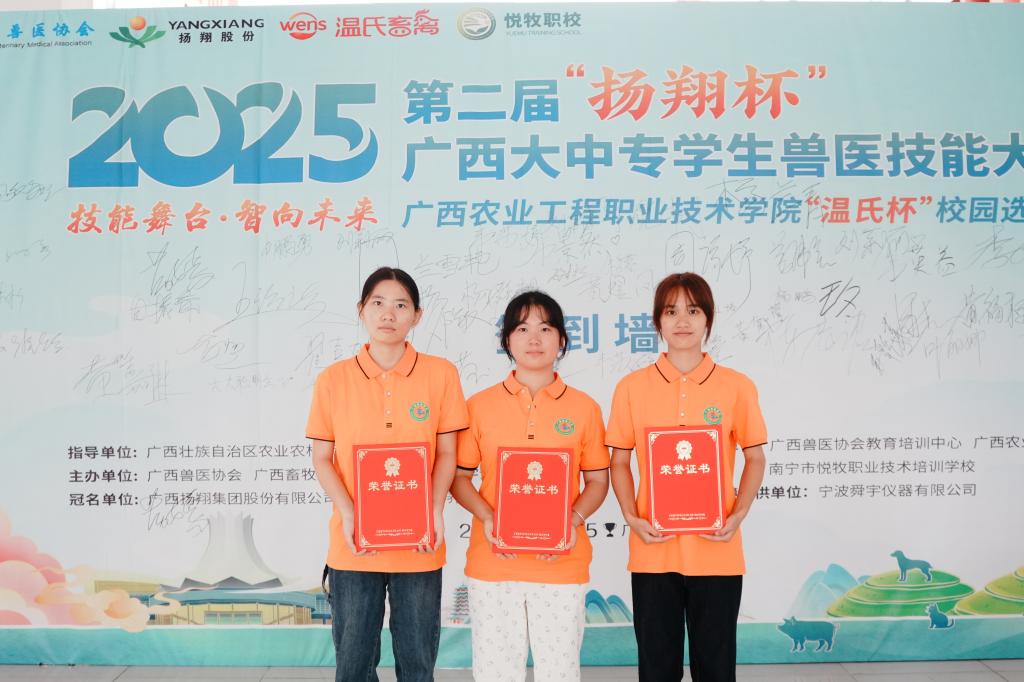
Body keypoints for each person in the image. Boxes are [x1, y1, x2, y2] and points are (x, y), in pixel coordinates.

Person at [306, 266, 469, 682]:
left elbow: (447, 453)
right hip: (354, 542)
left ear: (417, 315)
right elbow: (322, 457)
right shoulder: (333, 379)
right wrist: (348, 512)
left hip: (419, 542)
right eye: (378, 303)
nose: (388, 314)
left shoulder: (441, 374)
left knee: (417, 662)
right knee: (353, 663)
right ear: (361, 310)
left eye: (401, 305)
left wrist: (434, 510)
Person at [606, 273, 767, 682]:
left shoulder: (736, 386)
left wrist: (738, 515)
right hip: (653, 546)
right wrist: (631, 517)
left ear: (708, 319)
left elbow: (754, 457)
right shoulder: (631, 387)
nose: (682, 321)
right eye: (671, 311)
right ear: (657, 321)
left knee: (716, 669)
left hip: (717, 547)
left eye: (693, 311)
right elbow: (619, 461)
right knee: (657, 669)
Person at [451, 290, 610, 682]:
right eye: (522, 329)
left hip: (561, 564)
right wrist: (488, 517)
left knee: (559, 672)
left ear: (562, 339)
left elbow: (597, 480)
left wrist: (572, 520)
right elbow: (459, 478)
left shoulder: (585, 408)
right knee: (496, 673)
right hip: (493, 564)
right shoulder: (479, 406)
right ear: (507, 339)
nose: (534, 339)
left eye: (545, 328)